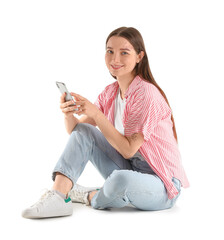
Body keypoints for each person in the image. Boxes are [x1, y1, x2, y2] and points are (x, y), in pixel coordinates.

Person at [22, 27, 189, 219]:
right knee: (85, 132)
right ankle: (59, 196)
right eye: (109, 51)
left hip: (162, 183)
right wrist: (68, 113)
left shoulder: (146, 94)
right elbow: (78, 132)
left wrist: (96, 113)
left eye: (124, 53)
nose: (114, 59)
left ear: (139, 56)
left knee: (121, 180)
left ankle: (88, 195)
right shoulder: (110, 93)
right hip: (130, 167)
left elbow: (128, 150)